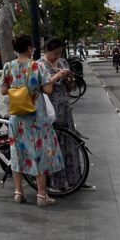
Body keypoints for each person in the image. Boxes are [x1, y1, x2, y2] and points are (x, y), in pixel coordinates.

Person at [0, 33, 65, 207]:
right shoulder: (37, 66)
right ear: (29, 48)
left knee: (18, 154)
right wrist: (52, 79)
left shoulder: (8, 66)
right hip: (37, 119)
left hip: (17, 118)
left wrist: (19, 89)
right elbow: (48, 89)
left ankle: (18, 193)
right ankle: (41, 196)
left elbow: (4, 91)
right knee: (40, 153)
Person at [43, 37, 91, 192]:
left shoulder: (63, 63)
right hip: (50, 108)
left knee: (70, 143)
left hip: (64, 106)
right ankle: (56, 182)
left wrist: (70, 79)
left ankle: (75, 180)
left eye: (59, 53)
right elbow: (43, 87)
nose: (57, 56)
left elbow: (69, 89)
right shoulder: (40, 65)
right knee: (54, 144)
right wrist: (56, 77)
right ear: (47, 50)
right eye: (55, 53)